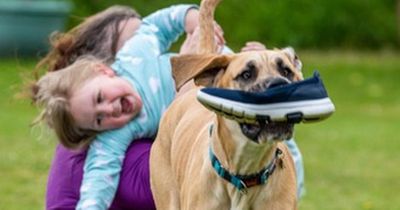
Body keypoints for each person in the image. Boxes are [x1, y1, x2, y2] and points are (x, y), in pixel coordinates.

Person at [31, 5, 303, 210]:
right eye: (99, 120)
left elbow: (155, 26)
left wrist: (194, 17)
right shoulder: (115, 139)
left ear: (104, 69)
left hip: (204, 82)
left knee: (285, 152)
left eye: (101, 97)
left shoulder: (134, 56)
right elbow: (99, 179)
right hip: (190, 121)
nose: (109, 110)